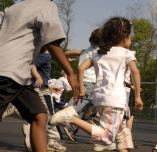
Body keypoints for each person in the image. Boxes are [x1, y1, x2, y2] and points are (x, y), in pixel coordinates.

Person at [0, 0, 78, 152]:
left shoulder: (13, 8)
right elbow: (52, 42)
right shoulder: (46, 5)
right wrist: (71, 73)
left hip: (20, 76)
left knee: (39, 115)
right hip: (10, 70)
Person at [49, 17, 143, 152]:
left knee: (122, 131)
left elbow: (80, 68)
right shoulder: (126, 54)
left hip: (101, 100)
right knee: (107, 136)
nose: (130, 39)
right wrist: (138, 96)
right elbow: (135, 72)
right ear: (124, 37)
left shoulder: (98, 53)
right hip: (115, 100)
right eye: (130, 36)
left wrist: (82, 90)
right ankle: (72, 119)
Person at [63, 28, 102, 143]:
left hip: (82, 84)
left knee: (91, 109)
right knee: (69, 111)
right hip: (91, 85)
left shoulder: (84, 51)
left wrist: (68, 59)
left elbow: (65, 53)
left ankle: (81, 123)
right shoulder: (99, 52)